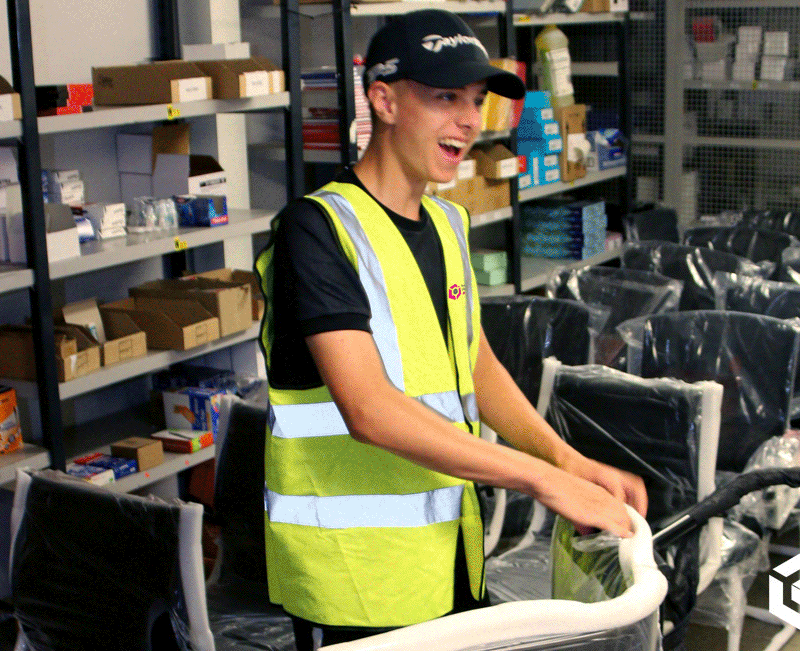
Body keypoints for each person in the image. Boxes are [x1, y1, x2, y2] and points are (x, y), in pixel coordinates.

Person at [255, 9, 647, 650]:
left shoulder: (447, 223)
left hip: (449, 552)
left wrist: (569, 461)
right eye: (444, 98)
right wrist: (543, 481)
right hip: (358, 578)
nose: (468, 122)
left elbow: (477, 366)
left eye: (475, 101)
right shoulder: (317, 231)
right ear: (381, 100)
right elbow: (370, 411)